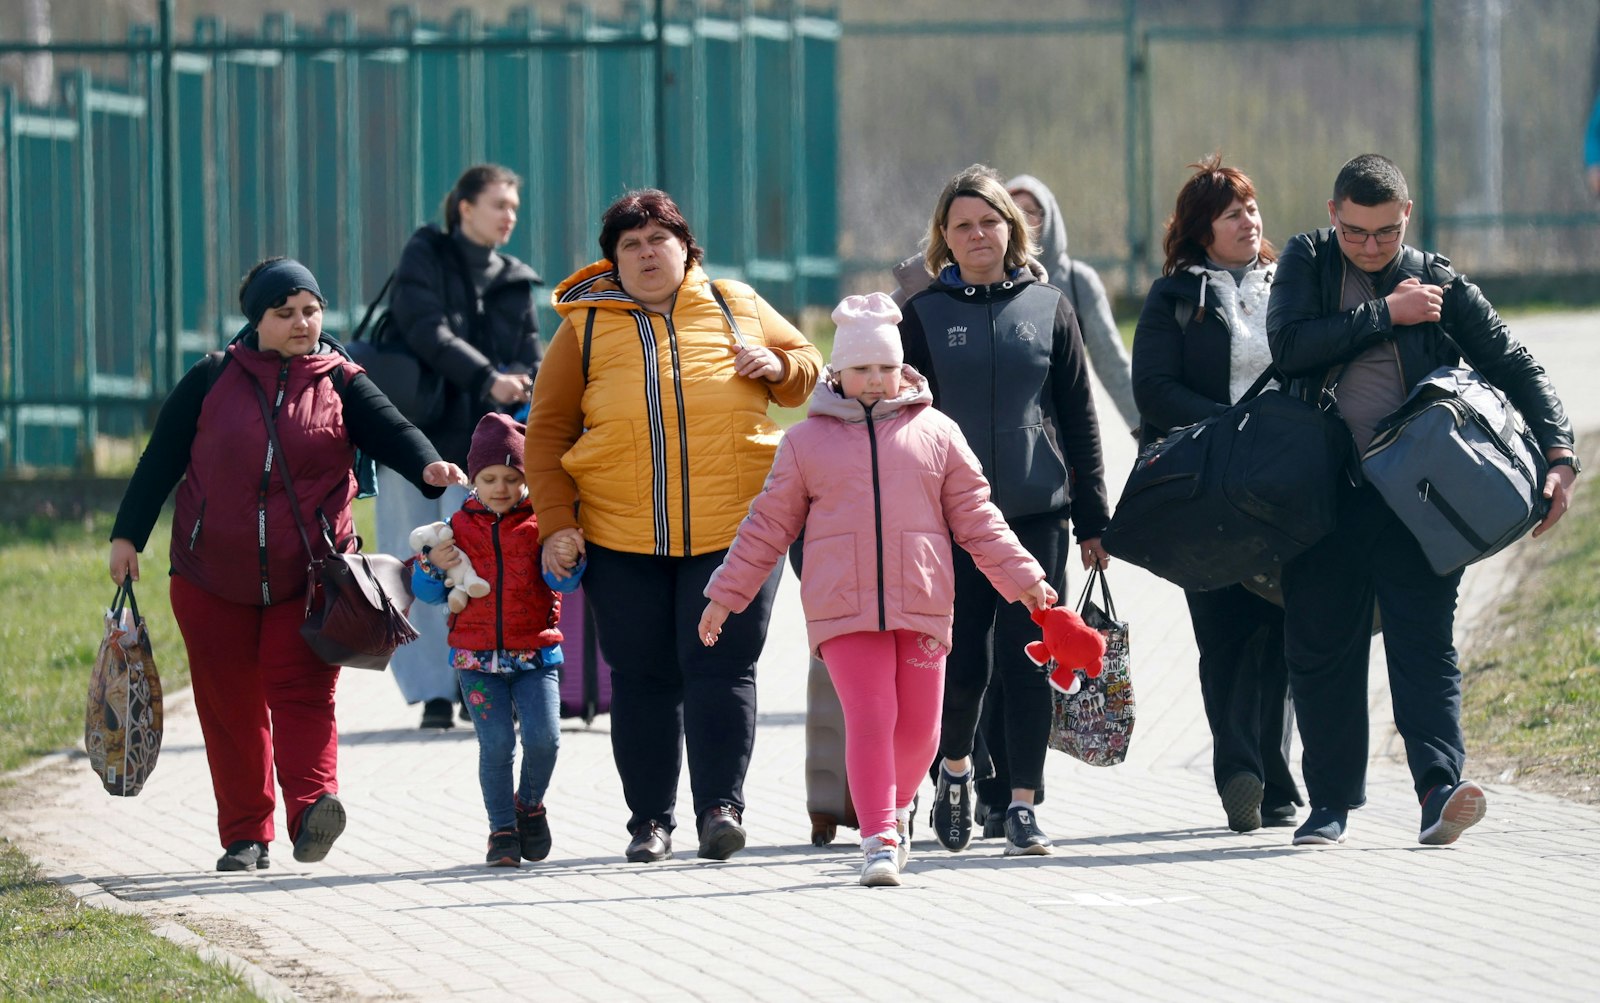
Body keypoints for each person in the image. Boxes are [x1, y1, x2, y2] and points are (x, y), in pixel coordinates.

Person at [108, 258, 466, 872]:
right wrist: (126, 538)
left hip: (311, 577)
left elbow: (393, 431)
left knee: (302, 693)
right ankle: (246, 835)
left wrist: (430, 466)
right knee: (231, 707)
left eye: (311, 310)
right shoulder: (212, 376)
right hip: (208, 575)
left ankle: (310, 810)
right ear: (258, 320)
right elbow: (160, 458)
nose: (303, 323)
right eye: (286, 313)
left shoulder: (344, 381)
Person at [1266, 153, 1578, 847]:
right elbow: (1288, 347)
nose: (1371, 248)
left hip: (1418, 498)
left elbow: (1512, 361)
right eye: (1356, 232)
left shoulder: (1436, 278)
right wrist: (1384, 314)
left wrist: (1561, 455)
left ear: (1406, 216)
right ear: (1332, 214)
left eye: (1384, 233)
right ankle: (1331, 804)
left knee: (1424, 642)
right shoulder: (1308, 262)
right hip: (1323, 495)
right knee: (1322, 646)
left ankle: (1439, 787)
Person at [698, 293, 1056, 886]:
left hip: (922, 604)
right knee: (870, 716)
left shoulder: (937, 432)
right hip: (842, 608)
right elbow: (767, 526)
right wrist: (725, 595)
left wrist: (1026, 580)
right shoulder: (805, 444)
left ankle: (895, 805)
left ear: (901, 368)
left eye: (885, 368)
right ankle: (878, 839)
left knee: (922, 730)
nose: (874, 380)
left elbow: (978, 518)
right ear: (837, 371)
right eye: (861, 369)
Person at [524, 188, 822, 863]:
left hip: (737, 528)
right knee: (643, 674)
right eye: (630, 244)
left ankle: (721, 807)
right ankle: (649, 822)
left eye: (659, 239)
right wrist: (556, 523)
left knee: (720, 662)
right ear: (613, 262)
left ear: (687, 248)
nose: (646, 252)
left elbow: (807, 371)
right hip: (622, 534)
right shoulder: (585, 329)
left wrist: (778, 365)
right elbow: (544, 436)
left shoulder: (735, 303)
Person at [898, 164, 1111, 856]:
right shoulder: (923, 316)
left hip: (1035, 515)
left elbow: (1079, 415)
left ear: (1011, 229)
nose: (978, 233)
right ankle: (956, 772)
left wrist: (1093, 519)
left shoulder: (1049, 307)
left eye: (989, 221)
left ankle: (1023, 802)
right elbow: (898, 420)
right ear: (945, 238)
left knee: (1028, 665)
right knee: (961, 665)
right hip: (949, 521)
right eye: (963, 225)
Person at [1131, 155, 1304, 832]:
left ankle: (1277, 775)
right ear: (1201, 229)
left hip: (1281, 485)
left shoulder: (1289, 286)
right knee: (1223, 629)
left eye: (1252, 208)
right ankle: (1238, 768)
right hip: (1202, 487)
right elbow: (1153, 389)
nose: (1248, 220)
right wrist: (1225, 424)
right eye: (1232, 212)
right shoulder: (1174, 297)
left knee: (1280, 628)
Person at [377, 164, 544, 730]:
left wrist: (518, 379)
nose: (509, 216)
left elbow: (530, 350)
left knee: (478, 561)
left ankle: (477, 679)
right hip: (413, 439)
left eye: (514, 208)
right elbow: (424, 328)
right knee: (414, 559)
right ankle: (433, 694)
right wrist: (488, 377)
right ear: (465, 207)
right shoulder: (425, 252)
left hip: (483, 452)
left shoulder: (516, 279)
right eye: (499, 204)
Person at [410, 412, 582, 868]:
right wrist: (431, 564)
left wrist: (570, 555)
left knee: (545, 740)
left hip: (536, 655)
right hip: (475, 660)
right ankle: (501, 830)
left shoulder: (543, 524)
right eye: (489, 478)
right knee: (498, 746)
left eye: (512, 477)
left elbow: (563, 584)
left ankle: (529, 805)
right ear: (473, 480)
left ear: (526, 478)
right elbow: (428, 593)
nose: (501, 488)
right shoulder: (453, 529)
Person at [1006, 174, 1139, 433]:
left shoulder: (1079, 282)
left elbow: (1111, 361)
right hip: (1011, 432)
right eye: (1012, 212)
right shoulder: (990, 282)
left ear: (1049, 219)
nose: (1022, 220)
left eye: (1030, 212)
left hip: (1071, 428)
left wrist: (1144, 430)